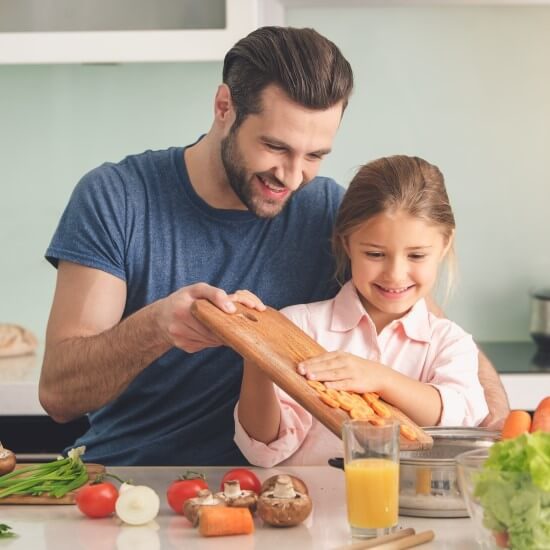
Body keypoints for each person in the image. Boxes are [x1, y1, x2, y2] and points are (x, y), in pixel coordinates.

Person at [39, 27, 507, 466]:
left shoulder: (324, 208)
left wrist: (495, 408)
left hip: (274, 494)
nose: (293, 174)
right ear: (225, 107)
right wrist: (159, 326)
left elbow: (419, 314)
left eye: (316, 155)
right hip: (133, 475)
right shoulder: (118, 197)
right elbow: (59, 396)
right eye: (276, 147)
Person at [235, 156, 490, 466]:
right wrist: (256, 355)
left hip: (408, 511)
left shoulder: (450, 342)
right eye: (374, 253)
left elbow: (462, 416)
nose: (395, 274)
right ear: (346, 243)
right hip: (314, 508)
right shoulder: (298, 326)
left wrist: (380, 379)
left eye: (417, 255)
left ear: (444, 244)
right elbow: (265, 448)